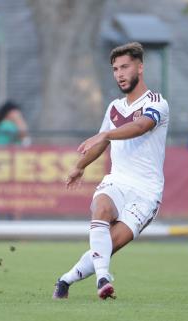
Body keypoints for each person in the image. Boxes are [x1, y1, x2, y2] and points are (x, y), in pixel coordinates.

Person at [52, 42, 169, 300]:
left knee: (109, 245)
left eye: (125, 67)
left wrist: (105, 133)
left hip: (146, 192)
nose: (119, 74)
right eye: (115, 69)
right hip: (117, 181)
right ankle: (103, 278)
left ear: (140, 67)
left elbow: (140, 126)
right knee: (101, 207)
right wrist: (79, 167)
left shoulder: (157, 103)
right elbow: (102, 142)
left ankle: (65, 280)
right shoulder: (114, 108)